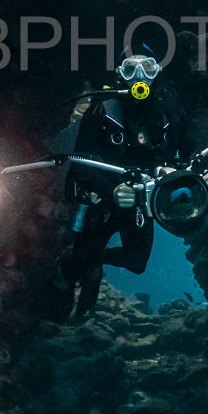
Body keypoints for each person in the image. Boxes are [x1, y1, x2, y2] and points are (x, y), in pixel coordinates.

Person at [49, 54, 184, 321]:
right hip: (104, 200)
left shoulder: (169, 115)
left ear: (156, 75)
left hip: (141, 202)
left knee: (137, 263)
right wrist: (112, 191)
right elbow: (80, 165)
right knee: (80, 263)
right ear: (120, 76)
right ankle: (73, 288)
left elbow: (179, 158)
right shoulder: (101, 112)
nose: (139, 77)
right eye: (131, 70)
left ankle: (91, 263)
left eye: (147, 69)